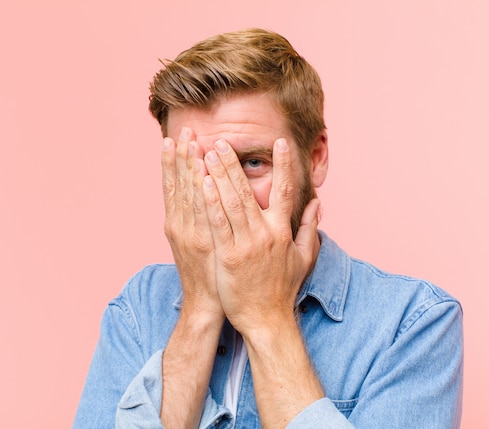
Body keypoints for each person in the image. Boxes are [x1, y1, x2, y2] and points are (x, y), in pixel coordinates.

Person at [73, 28, 463, 429]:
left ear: (315, 158)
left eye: (252, 162)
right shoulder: (139, 308)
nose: (222, 195)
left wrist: (266, 316)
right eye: (196, 168)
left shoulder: (413, 323)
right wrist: (200, 309)